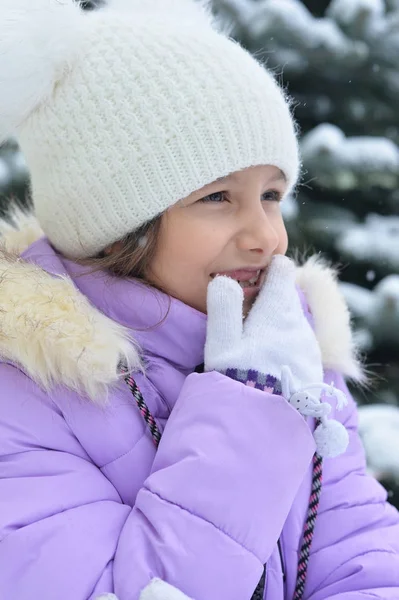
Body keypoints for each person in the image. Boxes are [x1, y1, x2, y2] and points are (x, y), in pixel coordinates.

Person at [0, 1, 399, 599]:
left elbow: (360, 557)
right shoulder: (25, 388)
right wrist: (246, 406)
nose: (268, 236)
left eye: (271, 194)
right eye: (217, 197)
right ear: (115, 223)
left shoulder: (290, 346)